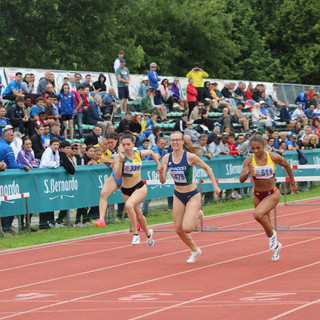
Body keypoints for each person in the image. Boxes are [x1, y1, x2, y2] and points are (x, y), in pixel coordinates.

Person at [158, 131, 220, 263]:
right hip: (178, 194)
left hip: (192, 195)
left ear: (182, 142)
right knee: (179, 230)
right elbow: (162, 181)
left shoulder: (190, 157)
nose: (175, 142)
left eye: (177, 140)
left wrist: (215, 186)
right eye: (172, 140)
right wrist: (160, 173)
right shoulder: (166, 158)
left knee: (187, 228)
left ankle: (197, 212)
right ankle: (195, 250)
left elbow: (207, 168)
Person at [239, 133, 298, 261]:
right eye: (253, 149)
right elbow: (241, 179)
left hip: (272, 193)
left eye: (258, 148)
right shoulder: (249, 160)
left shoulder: (273, 157)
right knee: (267, 225)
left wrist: (293, 183)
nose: (255, 151)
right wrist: (248, 171)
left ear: (264, 145)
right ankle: (276, 246)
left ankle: (273, 237)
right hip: (258, 195)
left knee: (258, 215)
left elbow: (287, 165)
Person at [113, 133, 160, 245]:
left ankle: (135, 234)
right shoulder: (118, 157)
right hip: (125, 189)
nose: (126, 147)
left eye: (128, 144)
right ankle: (148, 234)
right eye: (123, 144)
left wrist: (159, 164)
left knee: (129, 206)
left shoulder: (139, 153)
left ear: (133, 144)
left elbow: (151, 153)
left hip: (139, 187)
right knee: (138, 214)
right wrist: (120, 162)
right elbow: (118, 176)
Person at [0, 128, 30, 234]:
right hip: (8, 180)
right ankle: (6, 227)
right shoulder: (7, 148)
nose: (13, 137)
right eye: (11, 135)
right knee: (10, 201)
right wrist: (24, 166)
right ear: (5, 136)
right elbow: (12, 165)